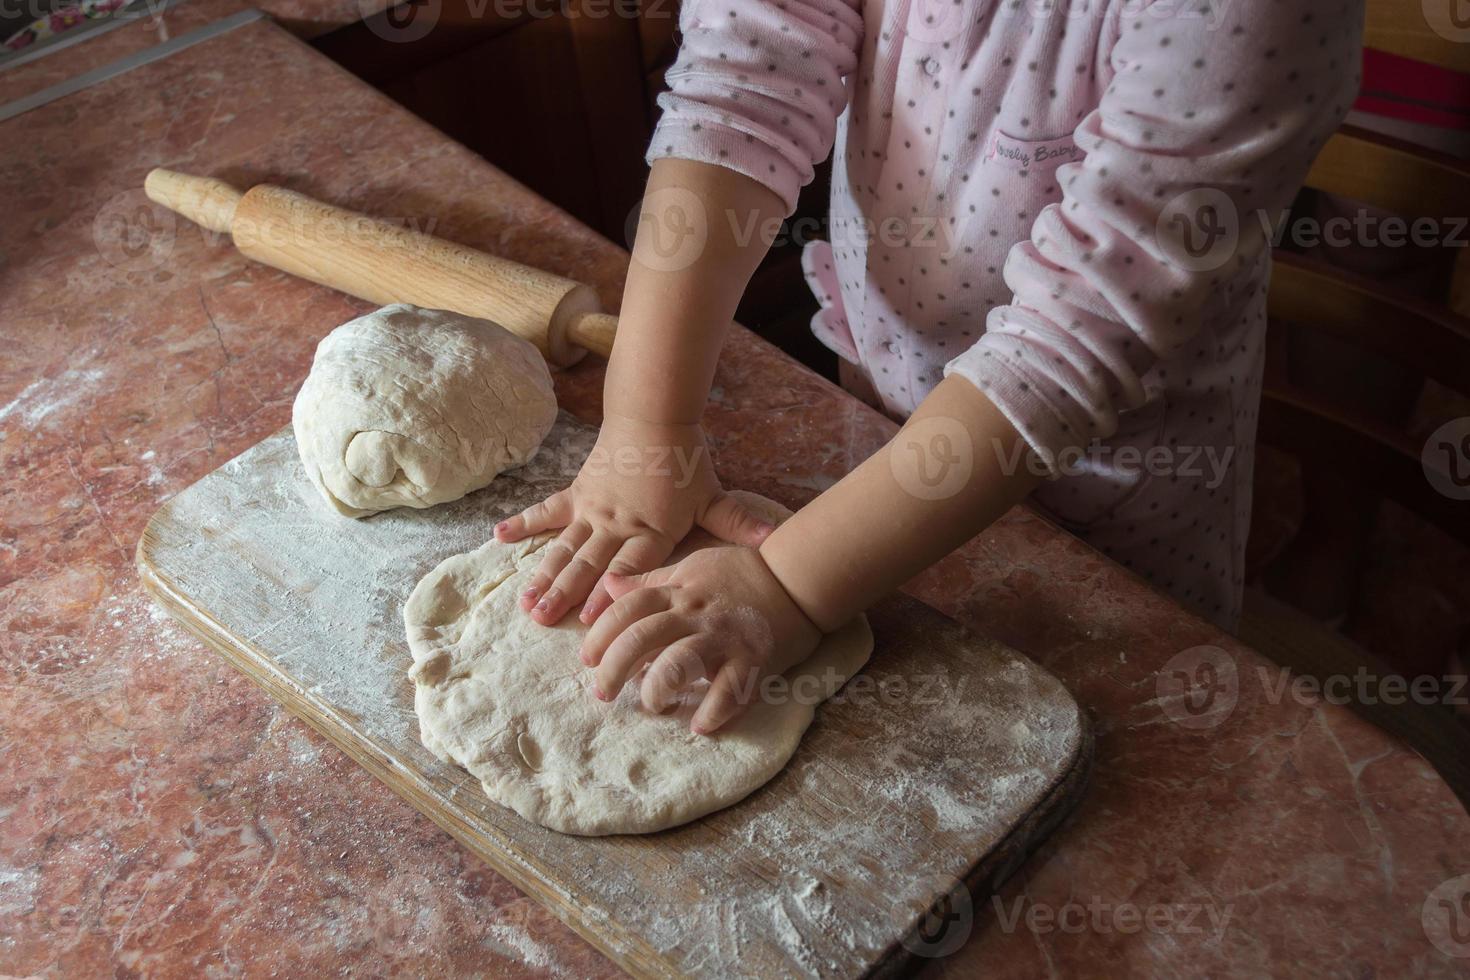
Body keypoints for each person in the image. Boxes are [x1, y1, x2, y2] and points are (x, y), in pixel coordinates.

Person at [494, 0, 1365, 733]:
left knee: (1072, 757)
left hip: (1113, 496)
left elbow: (1080, 337)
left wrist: (788, 591)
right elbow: (744, 84)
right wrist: (650, 422)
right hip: (875, 394)